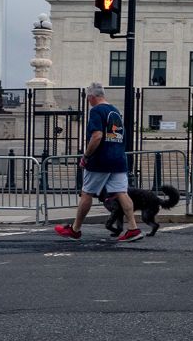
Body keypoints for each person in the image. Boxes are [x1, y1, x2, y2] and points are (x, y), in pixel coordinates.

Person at [55, 83, 143, 242]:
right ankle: (133, 228)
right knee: (121, 192)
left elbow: (97, 136)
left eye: (89, 98)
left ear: (91, 97)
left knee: (87, 192)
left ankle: (75, 229)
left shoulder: (96, 111)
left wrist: (86, 156)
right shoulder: (115, 111)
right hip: (118, 158)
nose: (89, 101)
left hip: (101, 159)